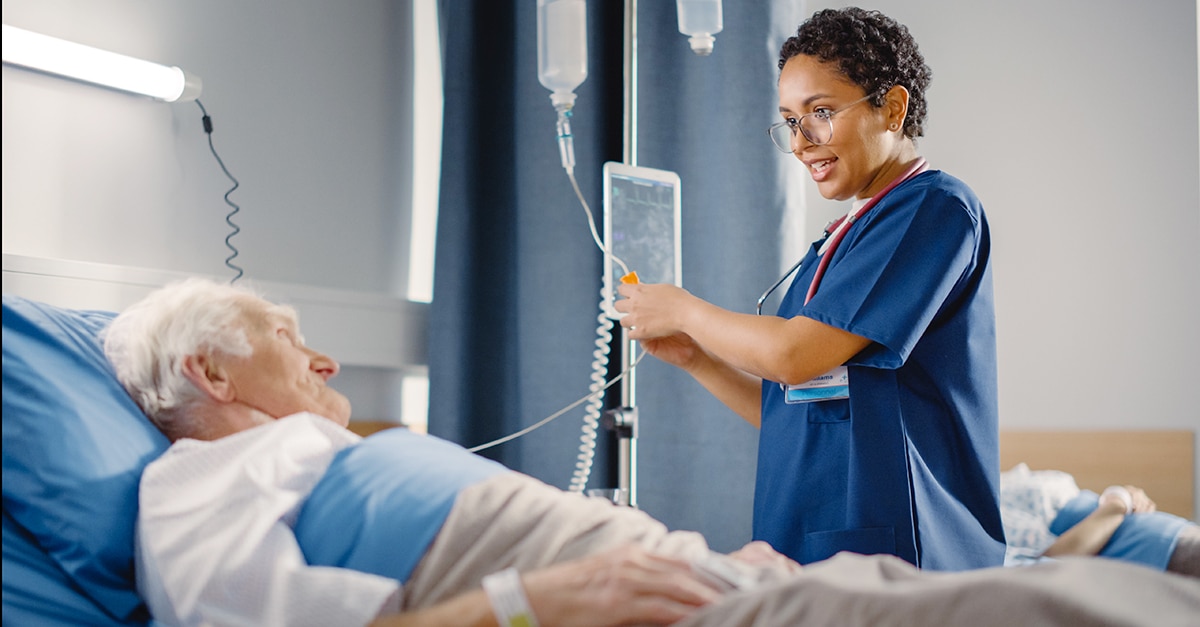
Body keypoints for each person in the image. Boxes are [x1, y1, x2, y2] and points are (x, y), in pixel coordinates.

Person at [102, 277, 1200, 627]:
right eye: (286, 342)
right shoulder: (192, 486)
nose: (326, 361)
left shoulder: (318, 455)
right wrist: (538, 598)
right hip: (667, 606)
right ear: (208, 373)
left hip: (709, 577)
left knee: (1079, 573)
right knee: (1060, 610)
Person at [614, 7, 1003, 571]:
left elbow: (793, 358)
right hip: (808, 540)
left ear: (891, 108)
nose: (802, 142)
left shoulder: (932, 209)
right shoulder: (840, 241)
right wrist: (697, 359)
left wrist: (685, 308)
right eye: (791, 121)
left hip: (897, 549)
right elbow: (796, 409)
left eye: (820, 113)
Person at [1000, 463, 1199, 577]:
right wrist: (1118, 502)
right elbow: (1052, 559)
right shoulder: (988, 520)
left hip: (1155, 530)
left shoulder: (1004, 481)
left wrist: (1122, 495)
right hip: (1137, 549)